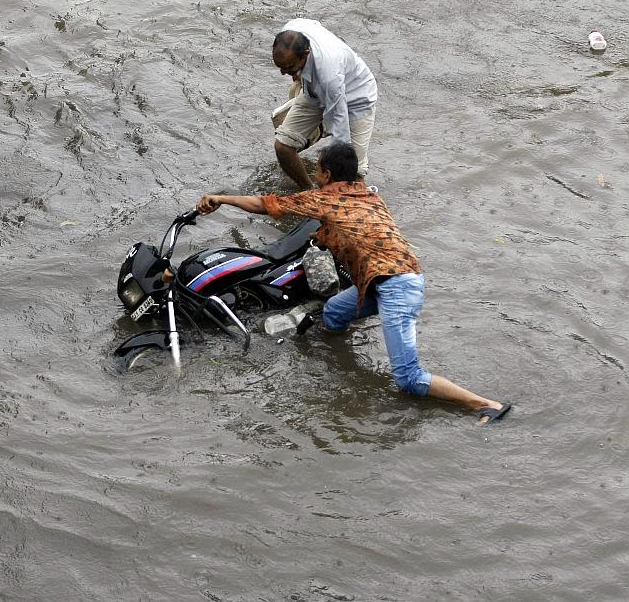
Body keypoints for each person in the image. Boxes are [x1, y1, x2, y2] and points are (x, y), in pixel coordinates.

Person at [197, 142, 511, 425]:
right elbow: (356, 230)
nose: (315, 176)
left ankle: (485, 405)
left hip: (397, 287)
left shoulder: (325, 199)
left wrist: (222, 198)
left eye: (317, 170)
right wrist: (321, 236)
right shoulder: (369, 195)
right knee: (334, 311)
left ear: (327, 174)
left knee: (408, 379)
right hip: (391, 278)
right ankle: (337, 355)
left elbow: (267, 205)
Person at [271, 18, 377, 190]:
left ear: (306, 54)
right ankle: (310, 192)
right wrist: (298, 73)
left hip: (356, 99)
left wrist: (339, 172)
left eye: (289, 67)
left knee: (352, 174)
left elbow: (341, 135)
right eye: (280, 67)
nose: (284, 73)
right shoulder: (291, 29)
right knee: (283, 146)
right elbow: (314, 24)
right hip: (314, 93)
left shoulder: (330, 76)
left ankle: (363, 209)